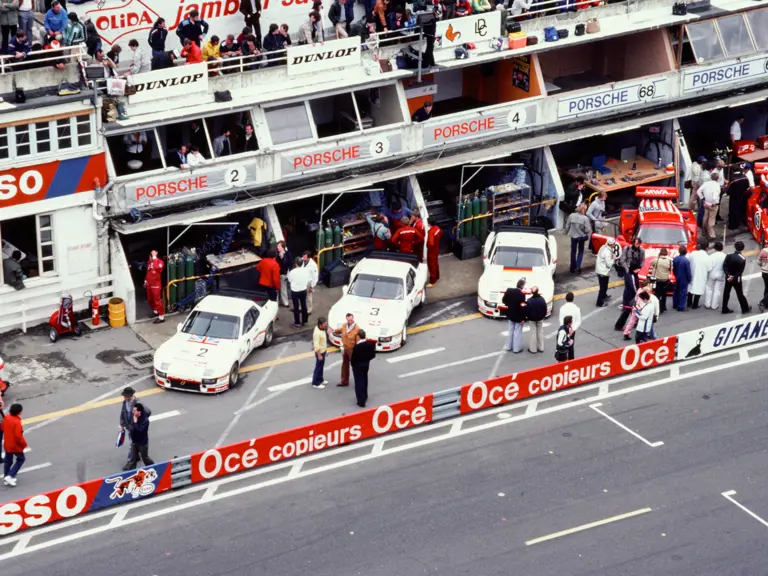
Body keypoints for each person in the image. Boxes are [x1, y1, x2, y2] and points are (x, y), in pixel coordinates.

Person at [722, 241, 751, 314]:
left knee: (726, 293)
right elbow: (740, 271)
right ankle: (745, 309)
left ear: (734, 247)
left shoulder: (729, 255)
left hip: (728, 278)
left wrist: (728, 275)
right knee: (740, 294)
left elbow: (725, 266)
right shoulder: (742, 259)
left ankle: (724, 308)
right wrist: (733, 277)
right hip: (736, 279)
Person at [123, 403, 154, 471]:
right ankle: (132, 471)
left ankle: (153, 467)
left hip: (142, 443)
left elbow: (140, 431)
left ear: (139, 412)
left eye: (134, 410)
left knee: (145, 458)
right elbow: (131, 427)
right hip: (135, 441)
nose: (132, 412)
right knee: (133, 458)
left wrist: (135, 422)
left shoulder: (145, 420)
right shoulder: (134, 416)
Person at [333, 313, 360, 387]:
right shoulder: (345, 325)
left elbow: (358, 342)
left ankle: (359, 381)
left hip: (352, 350)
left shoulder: (357, 329)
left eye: (351, 320)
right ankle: (344, 381)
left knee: (355, 366)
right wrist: (333, 331)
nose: (350, 321)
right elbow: (340, 330)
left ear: (353, 319)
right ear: (346, 319)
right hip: (344, 348)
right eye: (349, 320)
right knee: (344, 365)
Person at [351, 329, 376, 407]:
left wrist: (353, 365)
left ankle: (361, 401)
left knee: (359, 383)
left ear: (358, 336)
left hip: (358, 366)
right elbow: (373, 355)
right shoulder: (369, 344)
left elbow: (353, 359)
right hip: (366, 364)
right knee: (365, 380)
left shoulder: (357, 347)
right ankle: (365, 396)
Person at [2, 403, 26, 486]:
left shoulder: (7, 417)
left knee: (8, 461)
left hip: (7, 444)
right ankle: (10, 475)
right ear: (19, 412)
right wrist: (24, 444)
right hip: (15, 446)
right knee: (21, 459)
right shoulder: (17, 422)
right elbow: (18, 436)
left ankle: (6, 477)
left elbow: (2, 427)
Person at [565, 203, 591, 274]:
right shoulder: (585, 218)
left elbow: (567, 226)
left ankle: (572, 267)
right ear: (583, 209)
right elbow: (587, 230)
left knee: (573, 252)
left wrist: (568, 232)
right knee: (581, 251)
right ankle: (577, 266)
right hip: (581, 237)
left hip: (573, 236)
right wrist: (584, 232)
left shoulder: (571, 215)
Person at [502, 278, 526, 353]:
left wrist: (509, 305)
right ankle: (516, 348)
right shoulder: (522, 295)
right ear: (522, 286)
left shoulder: (509, 290)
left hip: (510, 313)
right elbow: (522, 307)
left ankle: (508, 346)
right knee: (517, 332)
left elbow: (504, 300)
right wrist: (523, 318)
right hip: (518, 316)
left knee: (510, 330)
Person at [287, 257, 310, 328]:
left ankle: (297, 323)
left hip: (295, 291)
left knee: (296, 307)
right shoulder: (306, 271)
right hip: (303, 290)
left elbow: (290, 280)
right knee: (304, 306)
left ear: (296, 264)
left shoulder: (292, 272)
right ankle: (304, 321)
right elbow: (309, 279)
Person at [648, 247, 672, 313]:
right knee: (664, 294)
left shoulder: (657, 260)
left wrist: (657, 257)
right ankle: (663, 307)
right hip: (665, 280)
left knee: (657, 294)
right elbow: (671, 268)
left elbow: (651, 263)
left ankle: (657, 307)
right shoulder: (669, 261)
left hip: (657, 280)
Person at [704, 241, 726, 310]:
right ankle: (714, 305)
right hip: (721, 274)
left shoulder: (711, 256)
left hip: (712, 273)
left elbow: (708, 266)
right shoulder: (725, 256)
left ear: (715, 248)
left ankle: (707, 304)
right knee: (717, 290)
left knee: (709, 288)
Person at [686, 241, 708, 309]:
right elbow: (709, 267)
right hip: (701, 275)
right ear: (706, 248)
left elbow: (687, 259)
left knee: (690, 288)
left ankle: (689, 303)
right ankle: (695, 304)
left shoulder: (693, 253)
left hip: (692, 273)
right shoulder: (706, 256)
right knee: (699, 289)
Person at [595, 238, 617, 307]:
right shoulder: (607, 252)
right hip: (603, 271)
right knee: (603, 287)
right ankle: (599, 302)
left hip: (600, 269)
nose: (614, 245)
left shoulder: (603, 247)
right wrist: (613, 259)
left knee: (605, 285)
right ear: (611, 244)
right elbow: (609, 264)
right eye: (614, 244)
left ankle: (604, 295)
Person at [144, 250, 165, 323]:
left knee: (157, 301)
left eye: (151, 256)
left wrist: (154, 258)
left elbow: (157, 268)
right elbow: (148, 272)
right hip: (149, 285)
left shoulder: (160, 262)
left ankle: (161, 317)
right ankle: (156, 311)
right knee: (150, 300)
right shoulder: (149, 262)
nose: (150, 258)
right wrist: (146, 280)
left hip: (156, 285)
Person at [726, 167, 750, 231]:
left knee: (733, 210)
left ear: (732, 170)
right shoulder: (745, 177)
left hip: (734, 197)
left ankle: (733, 225)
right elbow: (747, 186)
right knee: (741, 209)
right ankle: (740, 222)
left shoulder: (732, 178)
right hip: (742, 196)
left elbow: (728, 190)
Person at [615, 267, 638, 331]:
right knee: (627, 311)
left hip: (628, 295)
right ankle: (619, 326)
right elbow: (633, 287)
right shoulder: (632, 276)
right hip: (630, 296)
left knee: (632, 310)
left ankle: (634, 323)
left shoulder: (629, 274)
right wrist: (638, 293)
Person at [700, 172, 721, 240]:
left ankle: (704, 232)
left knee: (705, 218)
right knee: (711, 220)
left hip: (706, 203)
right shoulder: (717, 185)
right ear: (717, 179)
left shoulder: (706, 183)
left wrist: (702, 198)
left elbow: (698, 191)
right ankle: (711, 234)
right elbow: (715, 196)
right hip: (713, 205)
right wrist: (713, 202)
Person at [526, 286, 547, 354]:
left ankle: (533, 349)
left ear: (532, 292)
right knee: (540, 332)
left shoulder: (529, 301)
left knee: (533, 333)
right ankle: (541, 347)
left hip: (532, 319)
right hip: (540, 318)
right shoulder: (542, 299)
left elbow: (527, 311)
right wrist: (543, 316)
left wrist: (528, 317)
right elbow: (545, 309)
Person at [672, 245, 692, 312]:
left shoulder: (675, 259)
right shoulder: (686, 261)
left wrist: (675, 275)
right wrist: (689, 279)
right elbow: (688, 271)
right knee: (683, 292)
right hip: (684, 278)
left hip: (677, 276)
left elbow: (673, 269)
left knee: (676, 291)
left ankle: (675, 304)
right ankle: (681, 306)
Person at [312, 317, 329, 389]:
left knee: (321, 366)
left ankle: (320, 379)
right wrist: (319, 355)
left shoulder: (321, 328)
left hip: (323, 351)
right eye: (325, 324)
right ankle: (315, 383)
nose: (326, 325)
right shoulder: (317, 333)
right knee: (318, 367)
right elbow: (316, 346)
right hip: (320, 352)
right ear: (320, 324)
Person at [426, 217, 442, 286]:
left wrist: (427, 246)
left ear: (429, 224)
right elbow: (441, 233)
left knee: (431, 264)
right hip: (436, 248)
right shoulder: (438, 228)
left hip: (432, 250)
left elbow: (430, 243)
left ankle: (432, 281)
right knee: (435, 262)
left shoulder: (431, 232)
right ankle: (437, 276)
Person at [276, 240, 292, 307]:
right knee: (277, 289)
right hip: (277, 274)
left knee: (283, 288)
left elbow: (290, 264)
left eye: (279, 246)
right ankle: (277, 303)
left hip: (283, 274)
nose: (277, 247)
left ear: (282, 247)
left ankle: (285, 302)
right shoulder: (276, 254)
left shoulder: (287, 254)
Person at [759, 241, 768, 312]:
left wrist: (763, 266)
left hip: (764, 272)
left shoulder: (763, 251)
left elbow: (758, 262)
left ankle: (766, 304)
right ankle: (762, 302)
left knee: (766, 287)